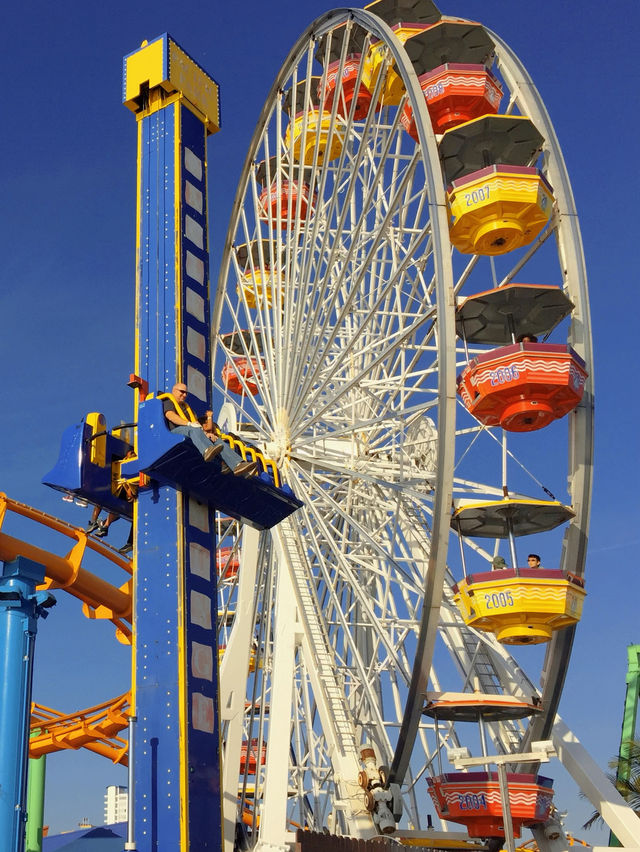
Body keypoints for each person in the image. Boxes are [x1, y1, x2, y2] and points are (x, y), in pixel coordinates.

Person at [163, 383, 258, 477]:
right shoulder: (169, 401)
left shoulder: (187, 408)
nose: (184, 395)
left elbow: (197, 426)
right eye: (182, 392)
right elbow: (170, 416)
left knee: (216, 439)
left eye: (186, 393)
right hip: (174, 432)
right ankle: (207, 450)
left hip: (190, 431)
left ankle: (237, 465)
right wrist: (188, 423)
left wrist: (206, 434)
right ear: (174, 390)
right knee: (192, 429)